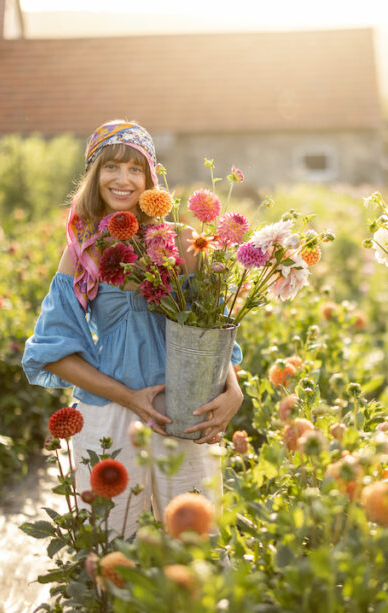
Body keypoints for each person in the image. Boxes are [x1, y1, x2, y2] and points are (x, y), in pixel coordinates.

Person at [22, 120, 244, 538]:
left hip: (184, 409)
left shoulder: (182, 242)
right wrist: (130, 398)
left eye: (135, 169)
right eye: (111, 167)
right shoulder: (81, 251)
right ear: (94, 176)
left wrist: (232, 390)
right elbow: (52, 350)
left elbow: (212, 330)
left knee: (198, 547)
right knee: (113, 548)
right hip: (108, 416)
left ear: (150, 178)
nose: (123, 180)